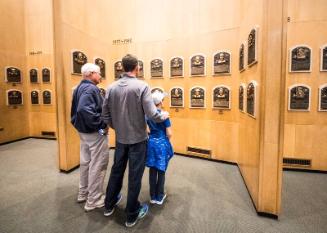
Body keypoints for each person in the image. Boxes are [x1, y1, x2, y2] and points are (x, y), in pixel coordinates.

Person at [102, 54, 169, 228]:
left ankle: (108, 204)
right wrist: (164, 115)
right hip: (138, 140)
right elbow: (152, 113)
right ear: (137, 67)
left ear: (122, 68)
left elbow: (105, 115)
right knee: (135, 176)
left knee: (116, 170)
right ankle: (131, 215)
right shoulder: (142, 86)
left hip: (121, 139)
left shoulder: (111, 87)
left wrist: (117, 127)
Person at [71, 63, 109, 212]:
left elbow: (78, 111)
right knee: (98, 164)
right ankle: (94, 199)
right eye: (99, 73)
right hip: (94, 133)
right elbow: (82, 109)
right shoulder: (91, 88)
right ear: (91, 73)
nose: (100, 76)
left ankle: (83, 193)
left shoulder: (80, 87)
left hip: (84, 132)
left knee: (86, 162)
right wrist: (101, 125)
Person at [146, 91, 173, 205]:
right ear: (160, 102)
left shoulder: (148, 115)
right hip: (161, 144)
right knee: (161, 170)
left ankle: (152, 196)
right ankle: (159, 196)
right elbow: (169, 133)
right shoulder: (164, 115)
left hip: (151, 143)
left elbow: (146, 130)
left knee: (152, 169)